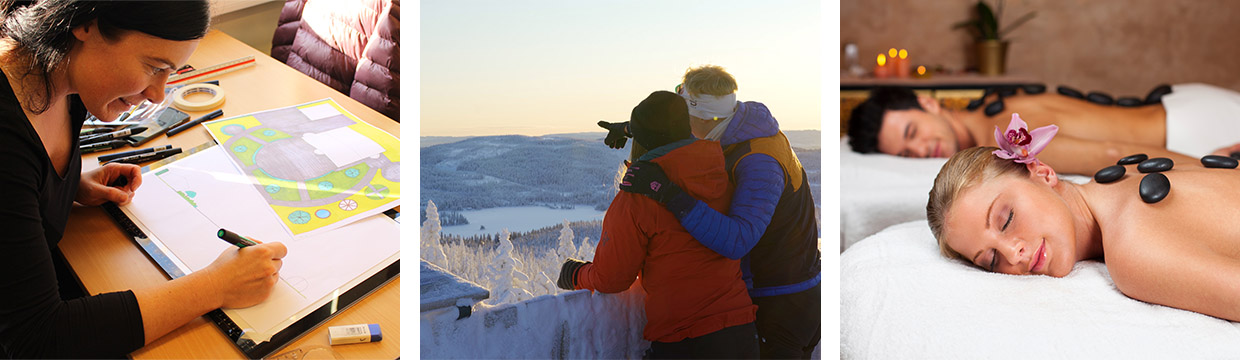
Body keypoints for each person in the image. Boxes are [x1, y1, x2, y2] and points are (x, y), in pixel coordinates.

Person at [0, 1, 286, 358]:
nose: (158, 94)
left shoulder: (58, 75)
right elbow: (38, 337)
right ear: (86, 25)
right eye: (154, 67)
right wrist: (216, 285)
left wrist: (66, 186)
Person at [928, 115, 1240, 323]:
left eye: (1006, 219)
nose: (1013, 254)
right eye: (992, 260)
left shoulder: (1132, 250)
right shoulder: (1122, 176)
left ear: (1043, 173)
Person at [608, 65, 820, 359]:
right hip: (775, 296)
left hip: (783, 305)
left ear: (703, 117)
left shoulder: (759, 160)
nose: (680, 123)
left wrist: (668, 193)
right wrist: (634, 129)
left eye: (684, 116)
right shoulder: (735, 127)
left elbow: (738, 240)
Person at [558, 90, 759, 359]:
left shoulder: (637, 195)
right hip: (741, 331)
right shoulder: (719, 169)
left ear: (640, 140)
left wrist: (575, 274)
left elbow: (612, 278)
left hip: (686, 341)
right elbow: (666, 126)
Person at [844, 85, 1240, 175]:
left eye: (912, 132)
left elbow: (1108, 156)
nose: (920, 150)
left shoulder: (1005, 137)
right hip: (1185, 102)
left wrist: (1215, 166)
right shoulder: (990, 103)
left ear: (928, 103)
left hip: (1193, 134)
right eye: (905, 153)